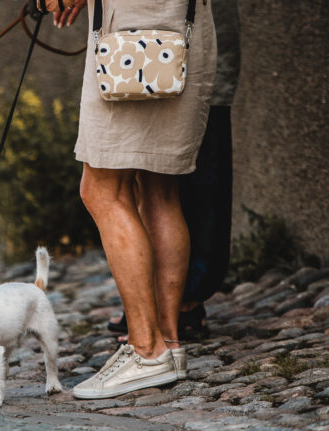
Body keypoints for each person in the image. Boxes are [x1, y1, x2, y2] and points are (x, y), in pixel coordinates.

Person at [43, 0, 218, 399]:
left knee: (103, 189)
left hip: (136, 32)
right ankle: (167, 346)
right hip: (179, 28)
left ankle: (146, 350)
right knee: (157, 188)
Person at [107, 0, 240, 340]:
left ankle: (182, 304)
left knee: (181, 180)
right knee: (150, 185)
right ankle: (158, 316)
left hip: (178, 37)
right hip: (143, 44)